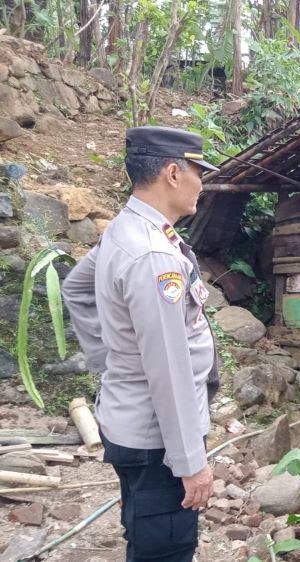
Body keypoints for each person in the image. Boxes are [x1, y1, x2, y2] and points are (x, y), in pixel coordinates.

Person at [62, 126, 221, 562]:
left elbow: (75, 288)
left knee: (144, 534)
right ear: (173, 172)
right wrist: (191, 463)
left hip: (130, 423)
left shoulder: (125, 229)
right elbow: (168, 368)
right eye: (198, 172)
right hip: (157, 444)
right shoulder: (154, 256)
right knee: (165, 550)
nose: (201, 184)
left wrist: (111, 360)